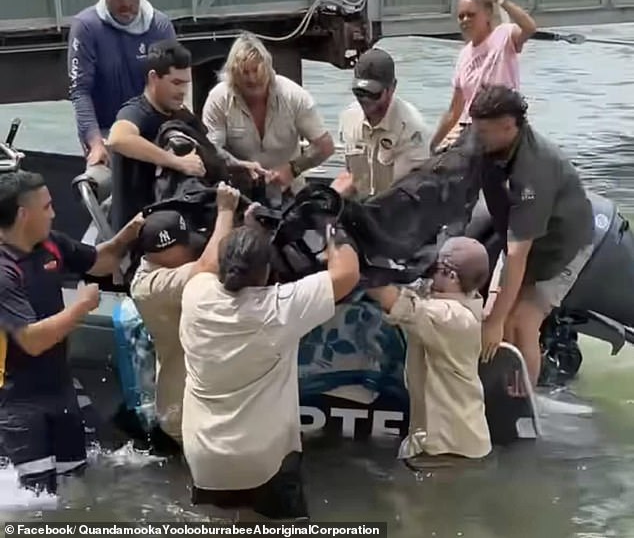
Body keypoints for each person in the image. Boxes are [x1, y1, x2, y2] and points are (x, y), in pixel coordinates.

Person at [179, 218, 360, 520]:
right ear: (266, 271)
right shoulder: (280, 308)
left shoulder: (196, 294)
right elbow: (347, 272)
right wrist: (333, 223)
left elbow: (207, 264)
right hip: (265, 462)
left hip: (205, 458)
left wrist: (231, 216)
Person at [0, 170, 143, 494]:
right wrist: (80, 307)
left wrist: (130, 234)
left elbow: (101, 261)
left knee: (74, 490)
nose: (54, 212)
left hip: (59, 388)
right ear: (24, 214)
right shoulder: (4, 270)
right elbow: (31, 340)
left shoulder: (51, 243)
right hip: (17, 402)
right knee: (33, 502)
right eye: (47, 206)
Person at [470, 85, 594, 387]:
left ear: (509, 126)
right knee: (491, 314)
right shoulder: (490, 142)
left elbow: (517, 254)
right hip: (520, 237)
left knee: (520, 322)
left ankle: (524, 398)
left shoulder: (533, 170)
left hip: (560, 248)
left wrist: (498, 321)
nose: (476, 138)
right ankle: (496, 383)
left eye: (483, 132)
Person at [129, 182, 241, 451]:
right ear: (163, 251)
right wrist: (225, 212)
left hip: (202, 401)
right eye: (184, 244)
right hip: (185, 410)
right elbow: (209, 268)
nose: (193, 248)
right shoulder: (151, 285)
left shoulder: (170, 263)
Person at [367, 237, 492, 466]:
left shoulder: (452, 318)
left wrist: (356, 265)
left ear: (452, 276)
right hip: (455, 445)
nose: (429, 274)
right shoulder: (466, 300)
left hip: (447, 449)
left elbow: (395, 302)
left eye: (436, 268)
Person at [202, 32, 335, 204]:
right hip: (237, 193)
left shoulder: (293, 96)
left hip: (289, 192)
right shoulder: (219, 99)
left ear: (268, 68)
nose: (252, 78)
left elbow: (325, 146)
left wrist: (292, 169)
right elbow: (210, 151)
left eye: (256, 71)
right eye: (244, 73)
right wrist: (240, 165)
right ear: (233, 74)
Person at [68, 0, 177, 166]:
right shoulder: (86, 27)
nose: (126, 3)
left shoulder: (160, 26)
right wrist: (95, 143)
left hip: (151, 131)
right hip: (105, 131)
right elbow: (80, 91)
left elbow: (174, 84)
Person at [107, 39, 205, 234]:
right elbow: (118, 139)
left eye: (186, 84)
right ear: (154, 78)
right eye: (175, 83)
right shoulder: (137, 111)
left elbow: (209, 148)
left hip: (180, 221)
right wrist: (177, 162)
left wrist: (238, 164)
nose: (182, 91)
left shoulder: (182, 114)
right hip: (140, 231)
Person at [430, 0, 537, 152]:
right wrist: (433, 144)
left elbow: (530, 27)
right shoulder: (464, 55)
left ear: (487, 14)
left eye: (471, 15)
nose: (465, 20)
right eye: (461, 16)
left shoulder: (505, 35)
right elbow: (454, 111)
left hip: (500, 126)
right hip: (470, 129)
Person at [334, 47, 433, 199]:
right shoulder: (348, 119)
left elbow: (417, 189)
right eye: (360, 92)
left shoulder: (412, 128)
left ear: (392, 88)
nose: (365, 99)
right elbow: (350, 175)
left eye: (373, 93)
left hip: (399, 209)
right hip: (361, 208)